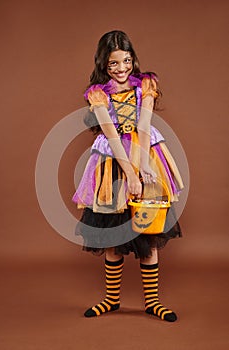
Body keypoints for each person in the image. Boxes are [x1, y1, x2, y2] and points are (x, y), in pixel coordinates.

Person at [72, 30, 184, 322]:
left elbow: (144, 125)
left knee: (149, 230)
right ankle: (111, 299)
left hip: (146, 153)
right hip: (112, 161)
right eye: (113, 64)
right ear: (103, 65)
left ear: (133, 60)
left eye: (126, 61)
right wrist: (130, 174)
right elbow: (109, 132)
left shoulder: (146, 84)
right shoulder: (98, 93)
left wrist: (144, 165)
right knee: (113, 230)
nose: (122, 69)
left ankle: (152, 302)